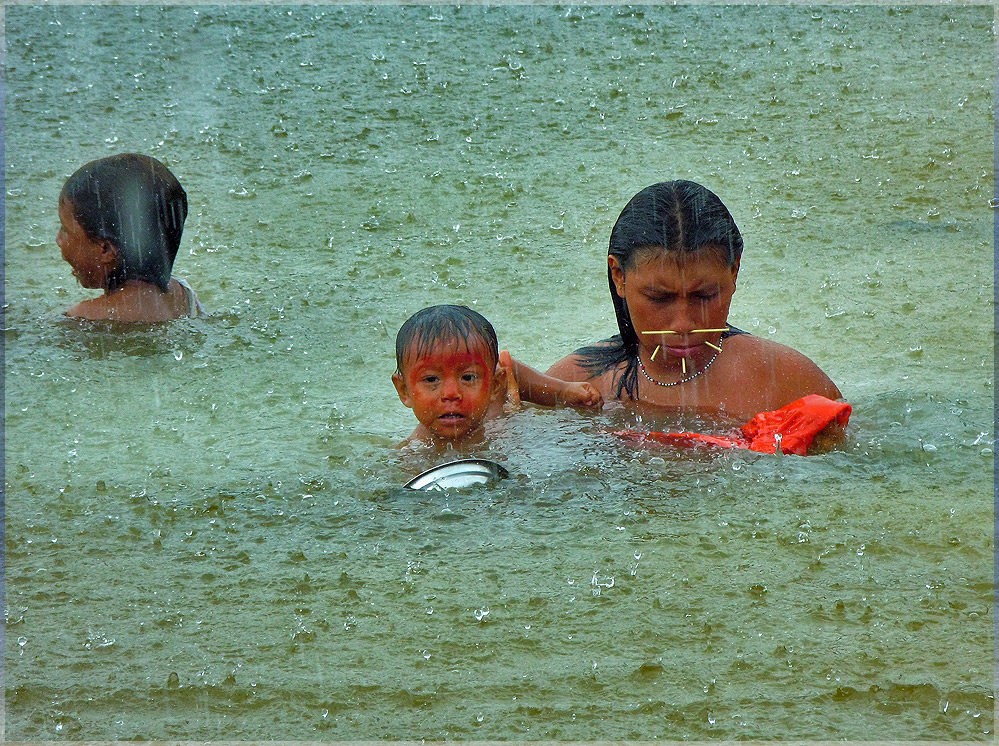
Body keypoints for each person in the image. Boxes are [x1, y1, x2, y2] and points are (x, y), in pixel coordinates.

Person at [543, 180, 842, 423]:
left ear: (734, 270)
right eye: (659, 298)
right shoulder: (571, 385)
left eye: (705, 295)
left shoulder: (790, 383)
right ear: (619, 276)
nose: (684, 323)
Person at [392, 304, 601, 447]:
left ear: (495, 385)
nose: (451, 393)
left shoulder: (495, 414)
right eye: (431, 380)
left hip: (509, 417)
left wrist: (561, 391)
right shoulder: (410, 455)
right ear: (404, 391)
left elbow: (511, 369)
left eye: (467, 377)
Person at [57, 153, 203, 322]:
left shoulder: (86, 316)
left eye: (65, 229)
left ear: (105, 249)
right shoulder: (184, 296)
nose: (59, 240)